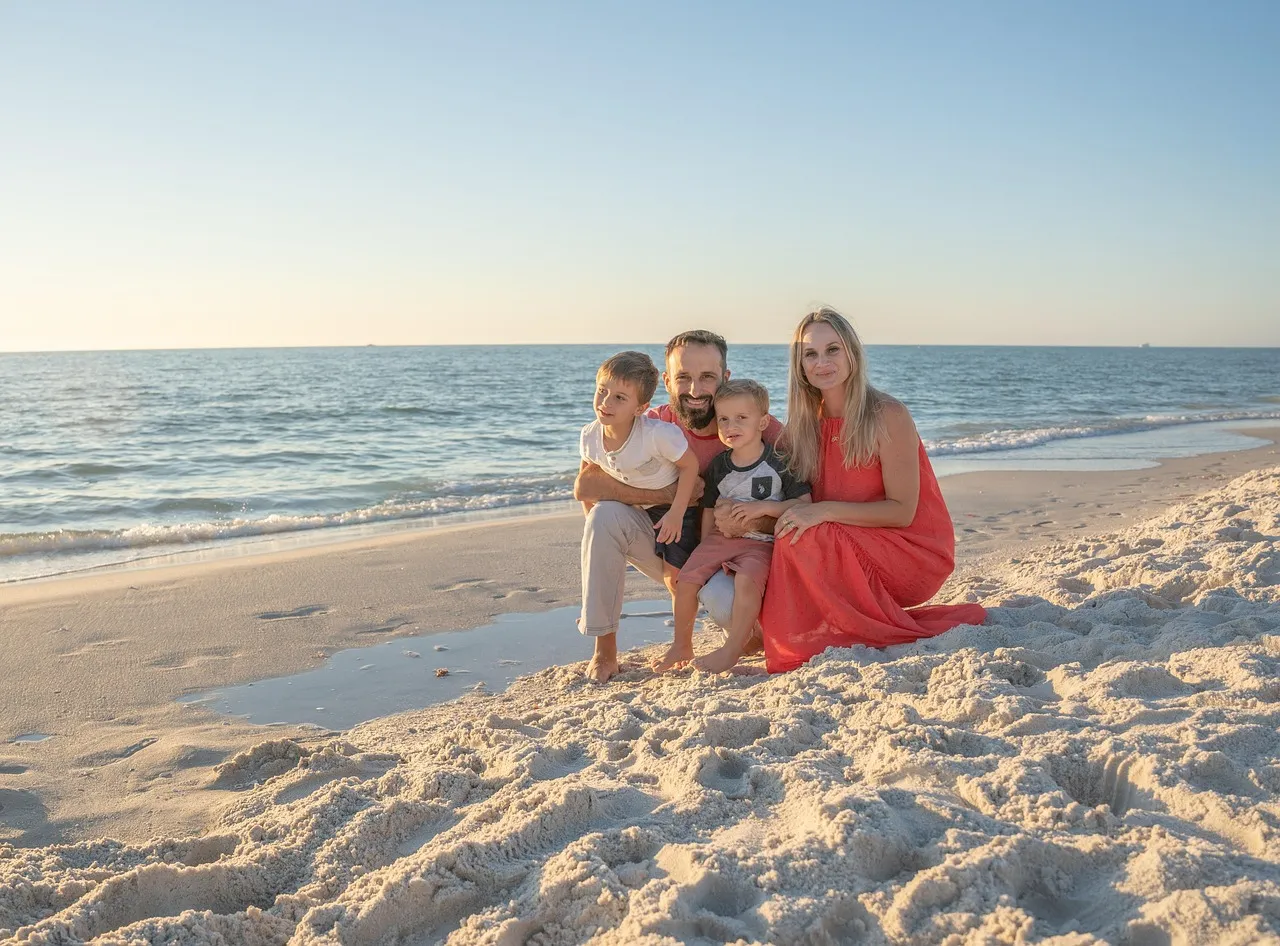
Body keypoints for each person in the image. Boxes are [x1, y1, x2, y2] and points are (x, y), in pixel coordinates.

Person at [759, 307, 986, 673]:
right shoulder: (803, 426)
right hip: (845, 544)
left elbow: (901, 511)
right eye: (811, 354)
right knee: (784, 530)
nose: (822, 362)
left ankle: (807, 638)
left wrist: (823, 510)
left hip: (909, 552)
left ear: (852, 352)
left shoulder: (887, 414)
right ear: (799, 365)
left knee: (800, 534)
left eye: (833, 349)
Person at [575, 330, 783, 683]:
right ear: (668, 381)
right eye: (683, 377)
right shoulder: (649, 424)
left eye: (707, 378)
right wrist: (676, 495)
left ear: (725, 379)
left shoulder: (756, 425)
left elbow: (806, 502)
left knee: (727, 606)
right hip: (668, 541)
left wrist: (751, 521)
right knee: (604, 516)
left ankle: (749, 633)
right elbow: (586, 484)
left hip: (735, 555)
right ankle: (605, 651)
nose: (695, 390)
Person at [651, 379, 810, 674]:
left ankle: (733, 648)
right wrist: (703, 546)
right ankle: (681, 644)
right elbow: (709, 509)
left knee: (746, 583)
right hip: (719, 539)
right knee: (685, 581)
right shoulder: (719, 465)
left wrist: (765, 508)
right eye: (723, 419)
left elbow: (804, 504)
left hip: (760, 543)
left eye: (741, 418)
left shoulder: (780, 463)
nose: (729, 426)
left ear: (763, 422)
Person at [578, 350, 701, 599]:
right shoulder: (589, 436)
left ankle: (683, 633)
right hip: (637, 512)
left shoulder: (658, 434)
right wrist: (594, 527)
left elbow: (691, 466)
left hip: (677, 510)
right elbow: (585, 484)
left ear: (641, 408)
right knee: (600, 527)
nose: (605, 402)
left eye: (619, 397)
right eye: (602, 391)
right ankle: (600, 628)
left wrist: (676, 514)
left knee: (675, 580)